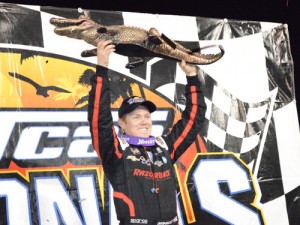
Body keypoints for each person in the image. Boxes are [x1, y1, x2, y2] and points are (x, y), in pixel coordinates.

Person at [88, 40, 207, 225]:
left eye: (147, 116)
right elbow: (99, 120)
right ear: (122, 123)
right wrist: (101, 69)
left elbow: (193, 121)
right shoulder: (116, 150)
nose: (144, 121)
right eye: (136, 117)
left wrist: (191, 76)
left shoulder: (163, 146)